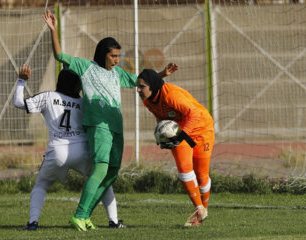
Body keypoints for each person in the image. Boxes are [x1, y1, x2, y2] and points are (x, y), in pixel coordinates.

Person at [43, 10, 178, 231]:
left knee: (112, 172)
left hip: (116, 127)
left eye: (118, 56)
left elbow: (140, 82)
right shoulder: (86, 68)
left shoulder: (118, 74)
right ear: (103, 54)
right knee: (100, 169)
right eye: (113, 56)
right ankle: (79, 215)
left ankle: (85, 215)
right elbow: (60, 56)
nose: (117, 60)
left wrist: (162, 73)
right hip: (98, 126)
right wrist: (53, 31)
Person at [14, 64, 125, 230]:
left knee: (41, 186)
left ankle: (32, 223)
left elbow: (18, 103)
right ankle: (114, 222)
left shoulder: (48, 97)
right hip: (83, 151)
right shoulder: (84, 103)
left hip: (57, 150)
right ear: (77, 84)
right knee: (102, 182)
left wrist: (21, 80)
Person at [136, 69, 214, 227]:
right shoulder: (147, 100)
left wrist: (182, 135)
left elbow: (194, 114)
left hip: (202, 128)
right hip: (180, 130)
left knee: (201, 175)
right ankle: (199, 210)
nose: (138, 90)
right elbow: (161, 117)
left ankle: (203, 210)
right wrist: (163, 133)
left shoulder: (171, 95)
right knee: (184, 169)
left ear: (152, 86)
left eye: (141, 87)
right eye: (137, 87)